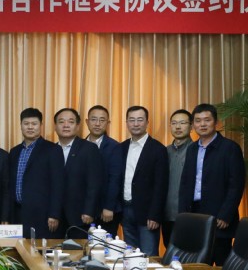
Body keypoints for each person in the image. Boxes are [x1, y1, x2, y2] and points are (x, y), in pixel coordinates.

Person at [179, 103, 245, 266]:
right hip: (195, 214)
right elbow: (185, 183)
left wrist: (226, 214)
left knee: (221, 265)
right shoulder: (192, 149)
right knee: (197, 264)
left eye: (207, 120)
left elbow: (236, 185)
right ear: (193, 125)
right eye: (198, 121)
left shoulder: (230, 148)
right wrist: (183, 215)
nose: (202, 124)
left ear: (216, 122)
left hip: (219, 216)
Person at [119, 105, 168, 256]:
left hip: (147, 213)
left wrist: (155, 215)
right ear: (126, 123)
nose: (136, 124)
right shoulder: (121, 147)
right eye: (132, 120)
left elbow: (161, 185)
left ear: (147, 122)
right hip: (125, 209)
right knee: (130, 254)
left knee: (148, 256)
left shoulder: (158, 149)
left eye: (140, 120)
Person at [9, 108, 64, 239]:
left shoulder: (53, 149)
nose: (30, 127)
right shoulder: (14, 151)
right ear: (20, 125)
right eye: (26, 123)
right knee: (18, 249)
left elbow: (58, 184)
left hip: (42, 215)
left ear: (41, 125)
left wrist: (54, 214)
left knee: (40, 249)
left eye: (34, 124)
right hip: (17, 214)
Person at [55, 108, 103, 239]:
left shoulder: (89, 148)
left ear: (77, 126)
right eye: (61, 122)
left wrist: (89, 210)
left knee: (79, 249)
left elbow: (94, 183)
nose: (66, 125)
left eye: (70, 122)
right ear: (55, 126)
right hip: (55, 217)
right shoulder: (51, 150)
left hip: (80, 215)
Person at [85, 105, 123, 237]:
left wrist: (109, 207)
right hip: (84, 210)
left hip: (106, 211)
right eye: (93, 119)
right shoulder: (80, 145)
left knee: (105, 246)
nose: (97, 124)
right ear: (87, 122)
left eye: (102, 120)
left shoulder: (115, 147)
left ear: (108, 123)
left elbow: (115, 178)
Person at [162, 109, 194, 248]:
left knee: (188, 253)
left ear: (191, 126)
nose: (178, 127)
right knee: (169, 252)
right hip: (166, 214)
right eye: (174, 123)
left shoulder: (196, 150)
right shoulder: (164, 151)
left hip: (189, 215)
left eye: (182, 123)